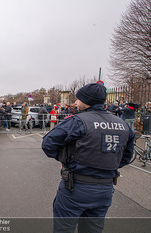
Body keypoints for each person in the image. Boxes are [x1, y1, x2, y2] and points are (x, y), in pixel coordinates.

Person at [42, 83, 134, 233]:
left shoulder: (78, 121)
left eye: (78, 99)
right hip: (105, 188)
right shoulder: (123, 125)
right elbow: (126, 157)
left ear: (87, 101)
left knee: (63, 228)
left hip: (77, 186)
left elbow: (48, 144)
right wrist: (106, 164)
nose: (75, 102)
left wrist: (67, 159)